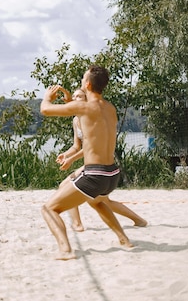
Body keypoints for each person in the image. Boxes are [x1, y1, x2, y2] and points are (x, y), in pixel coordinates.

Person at [40, 65, 133, 260]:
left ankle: (65, 250)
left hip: (95, 174)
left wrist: (48, 96)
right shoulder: (110, 108)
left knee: (49, 208)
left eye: (83, 79)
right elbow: (90, 130)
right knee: (97, 201)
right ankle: (124, 240)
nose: (82, 82)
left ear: (88, 84)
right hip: (112, 174)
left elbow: (45, 110)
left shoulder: (85, 107)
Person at [56, 88, 147, 232]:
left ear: (86, 100)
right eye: (74, 96)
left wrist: (72, 160)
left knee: (65, 186)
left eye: (79, 96)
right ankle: (139, 220)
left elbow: (90, 146)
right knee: (102, 201)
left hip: (100, 166)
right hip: (94, 166)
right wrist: (66, 155)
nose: (75, 98)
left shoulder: (90, 118)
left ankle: (77, 224)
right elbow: (76, 146)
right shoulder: (76, 120)